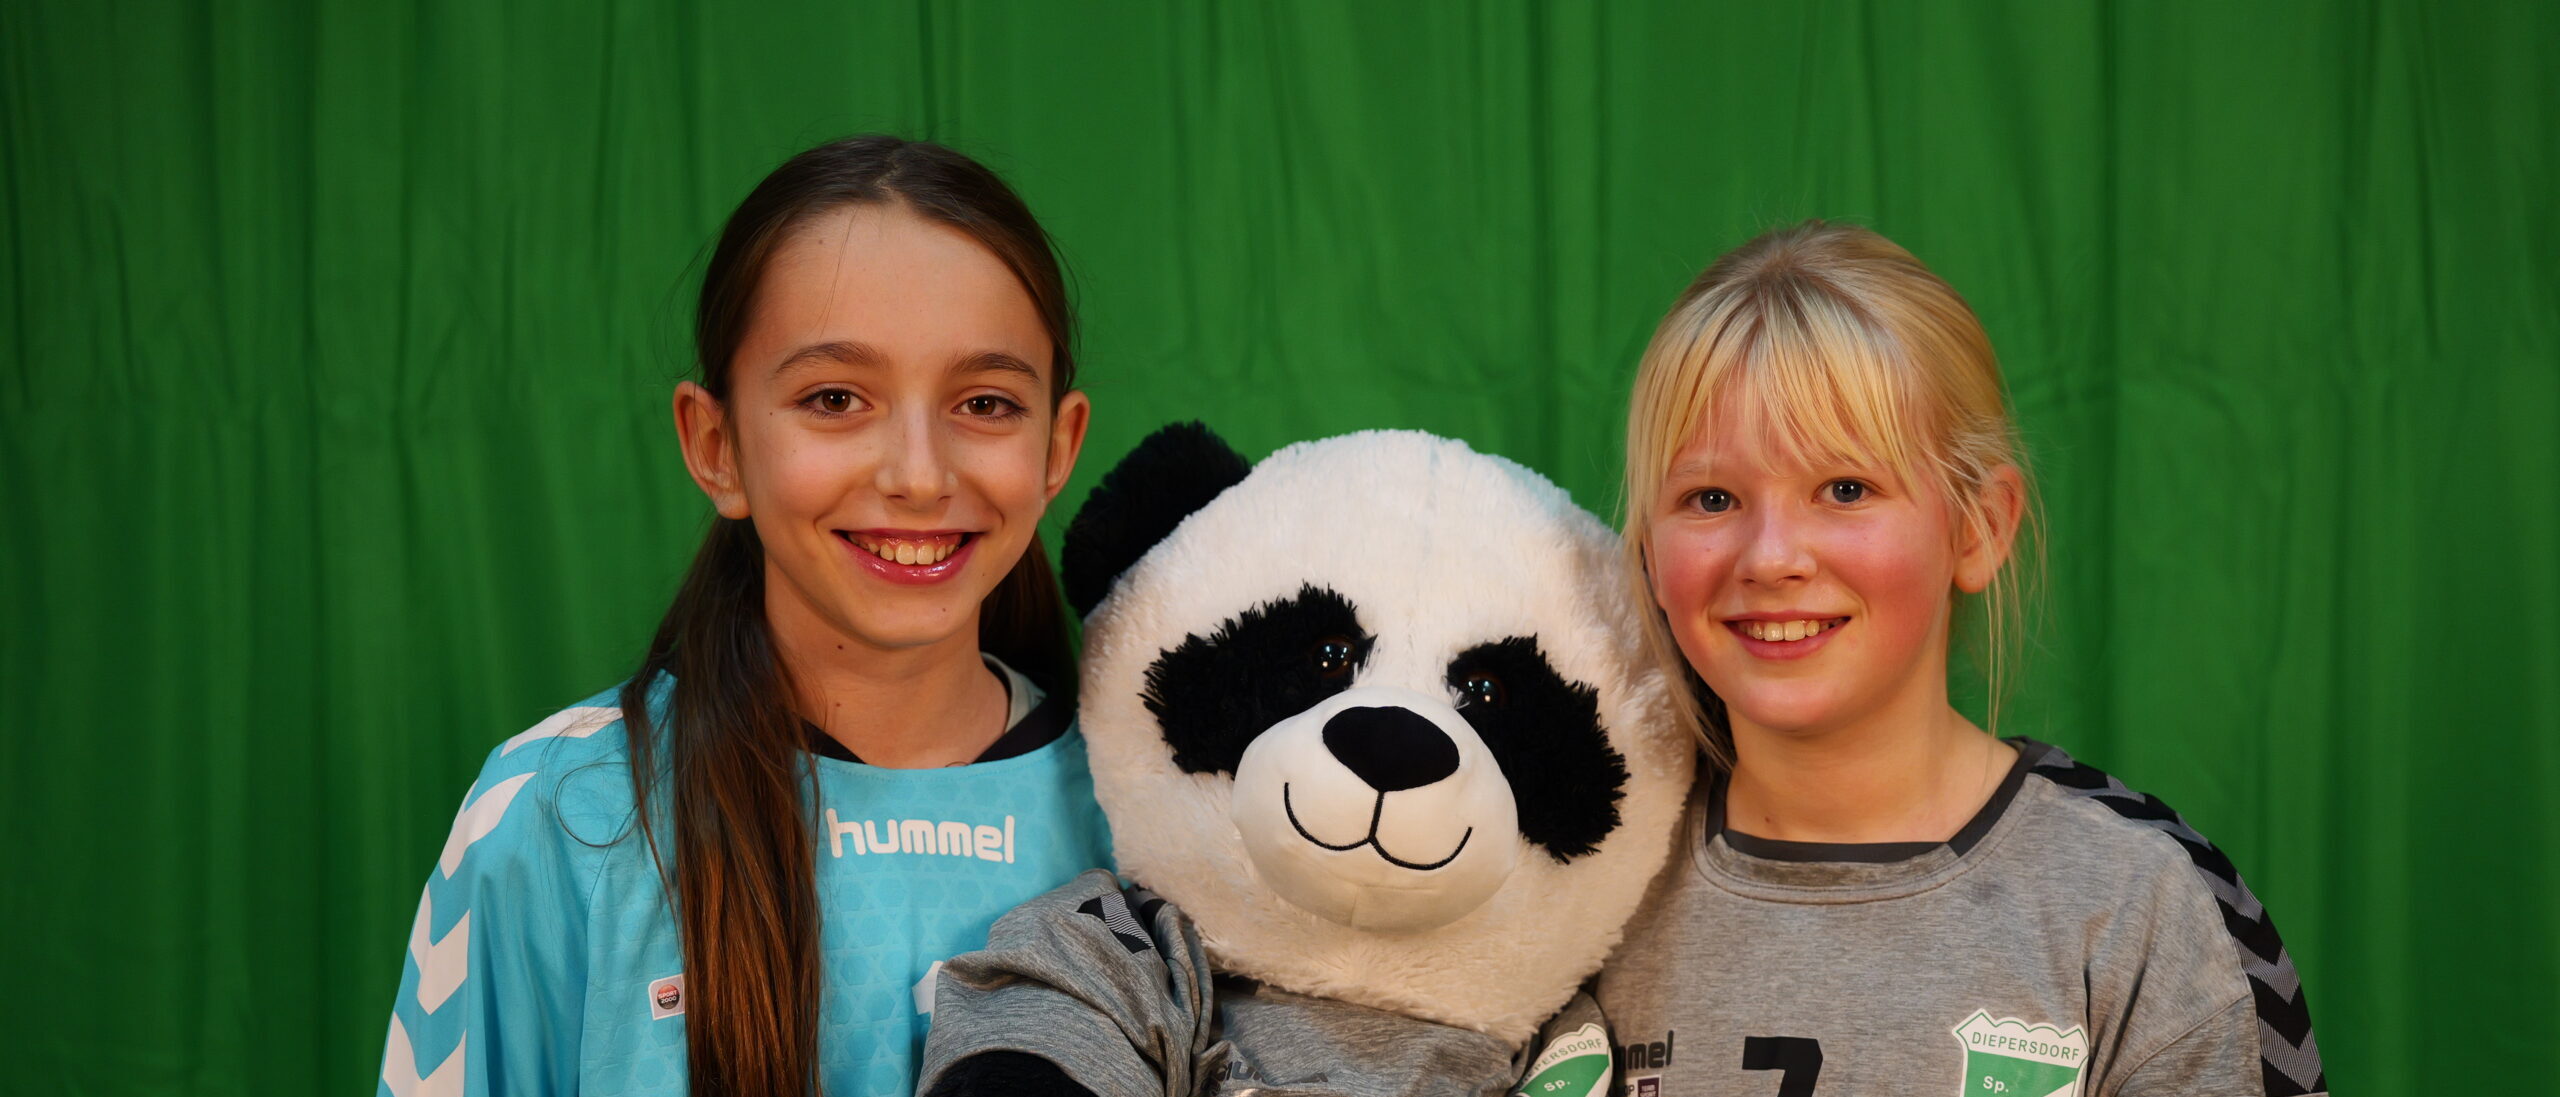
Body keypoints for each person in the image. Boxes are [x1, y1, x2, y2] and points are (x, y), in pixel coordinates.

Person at [373, 136, 1107, 1097]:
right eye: (835, 397)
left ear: (1058, 446)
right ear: (714, 443)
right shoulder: (556, 812)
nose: (919, 474)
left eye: (984, 401)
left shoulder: (1153, 819)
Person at [1595, 222, 2326, 1096]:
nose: (1771, 555)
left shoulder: (2149, 909)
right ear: (1648, 550)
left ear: (1979, 527)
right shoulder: (1570, 877)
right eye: (1710, 497)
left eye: (1845, 489)